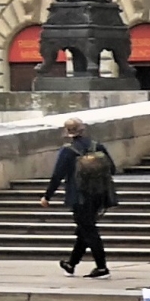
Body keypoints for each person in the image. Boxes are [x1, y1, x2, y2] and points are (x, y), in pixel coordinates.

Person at [42, 116, 115, 278]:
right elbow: (113, 169)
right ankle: (71, 264)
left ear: (67, 132)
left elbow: (57, 175)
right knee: (84, 229)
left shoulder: (68, 151)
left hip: (79, 197)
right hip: (99, 195)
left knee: (89, 230)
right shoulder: (98, 146)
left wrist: (47, 196)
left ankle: (102, 268)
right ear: (83, 129)